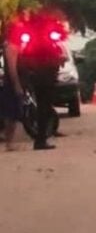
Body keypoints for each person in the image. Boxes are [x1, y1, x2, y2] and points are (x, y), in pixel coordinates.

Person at [4, 9, 67, 150]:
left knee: (35, 107)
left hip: (34, 77)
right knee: (17, 110)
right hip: (35, 78)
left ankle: (37, 138)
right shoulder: (19, 43)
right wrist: (17, 85)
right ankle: (31, 141)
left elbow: (60, 53)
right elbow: (14, 65)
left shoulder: (34, 41)